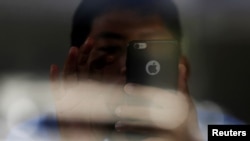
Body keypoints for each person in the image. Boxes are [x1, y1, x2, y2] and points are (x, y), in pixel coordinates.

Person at [6, 0, 243, 141]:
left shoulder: (217, 128)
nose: (126, 66)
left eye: (149, 52)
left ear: (183, 68)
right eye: (109, 49)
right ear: (75, 66)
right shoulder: (32, 132)